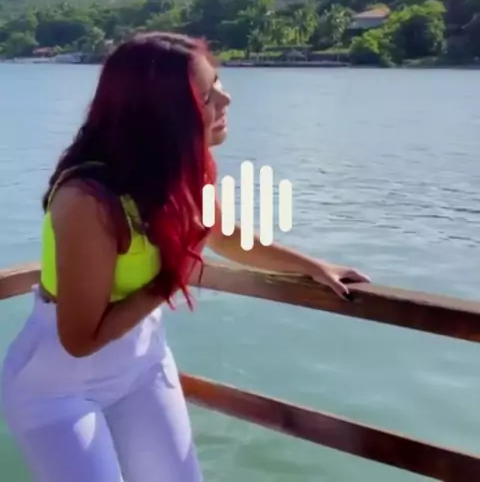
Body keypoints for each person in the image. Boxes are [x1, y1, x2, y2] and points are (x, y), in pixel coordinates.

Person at [0, 32, 369, 482]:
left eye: (219, 83)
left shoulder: (177, 171)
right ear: (162, 115)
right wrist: (171, 280)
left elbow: (220, 234)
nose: (227, 99)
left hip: (140, 364)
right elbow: (79, 340)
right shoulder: (88, 201)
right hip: (57, 387)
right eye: (207, 95)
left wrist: (311, 266)